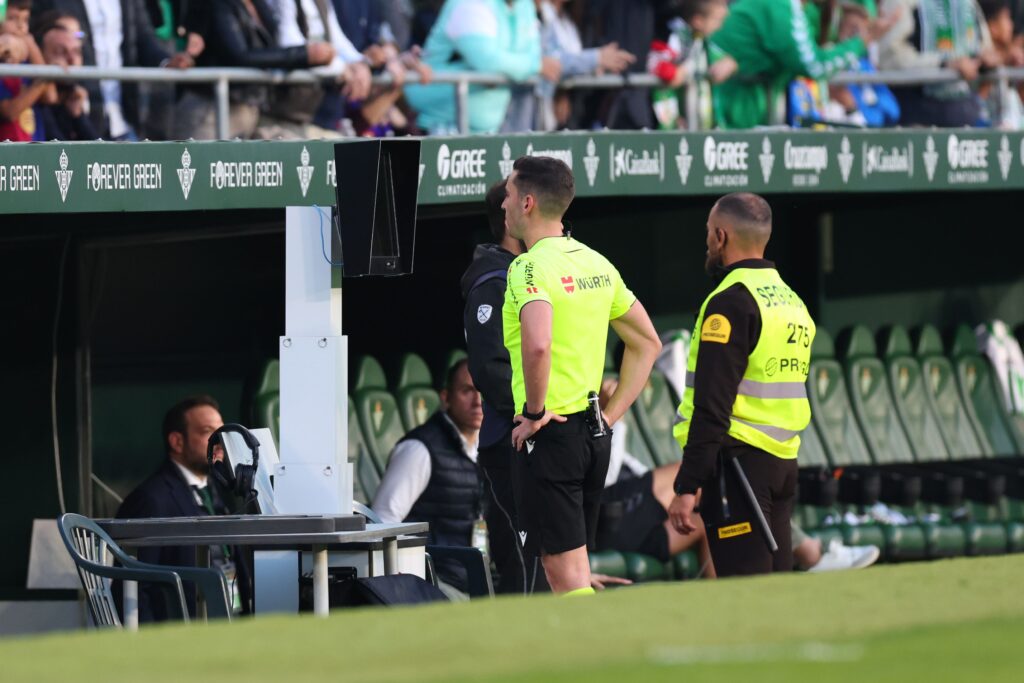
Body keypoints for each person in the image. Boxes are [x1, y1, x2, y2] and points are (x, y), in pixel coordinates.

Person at [501, 156, 662, 595]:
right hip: (593, 436)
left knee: (567, 579)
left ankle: (608, 656)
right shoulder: (596, 262)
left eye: (509, 195)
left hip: (551, 434)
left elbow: (537, 342)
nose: (504, 205)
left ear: (528, 202)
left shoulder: (528, 267)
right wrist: (610, 417)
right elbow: (648, 343)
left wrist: (534, 413)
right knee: (574, 569)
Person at [668, 193, 816, 578]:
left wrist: (687, 486)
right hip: (783, 462)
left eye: (707, 233)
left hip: (739, 468)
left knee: (749, 591)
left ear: (721, 236)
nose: (706, 242)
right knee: (775, 589)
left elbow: (713, 407)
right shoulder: (791, 300)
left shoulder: (730, 302)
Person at [461, 180, 538, 595]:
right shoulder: (493, 281)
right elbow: (490, 366)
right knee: (522, 567)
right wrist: (532, 412)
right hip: (510, 439)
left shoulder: (528, 272)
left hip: (533, 433)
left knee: (548, 559)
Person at [116, 395, 252, 622]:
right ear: (177, 441)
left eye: (222, 432)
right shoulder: (151, 498)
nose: (219, 441)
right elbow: (135, 588)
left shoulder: (216, 489)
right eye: (208, 431)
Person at [371, 359, 483, 599]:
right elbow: (382, 522)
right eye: (467, 391)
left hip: (473, 578)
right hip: (434, 583)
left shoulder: (487, 447)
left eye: (483, 390)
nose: (478, 401)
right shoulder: (419, 450)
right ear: (445, 398)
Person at [709, 0, 898, 128]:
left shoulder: (807, 11)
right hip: (722, 111)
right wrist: (864, 40)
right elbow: (815, 66)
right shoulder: (779, 6)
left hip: (752, 113)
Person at [595, 378, 716, 577]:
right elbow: (606, 475)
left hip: (637, 525)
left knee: (709, 520)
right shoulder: (581, 408)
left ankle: (724, 594)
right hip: (610, 513)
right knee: (692, 473)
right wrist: (613, 417)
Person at [172, 0, 333, 140]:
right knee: (202, 173)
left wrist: (309, 55)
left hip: (249, 110)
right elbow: (238, 55)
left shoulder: (258, 4)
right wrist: (303, 55)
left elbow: (273, 47)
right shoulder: (215, 3)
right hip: (209, 111)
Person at [33, 0, 194, 139]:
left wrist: (167, 62)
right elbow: (38, 35)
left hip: (123, 118)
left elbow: (143, 37)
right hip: (72, 115)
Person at [404, 0, 542, 134]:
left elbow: (534, 55)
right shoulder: (467, 3)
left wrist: (527, 65)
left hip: (490, 129)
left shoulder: (524, 4)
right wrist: (536, 65)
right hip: (441, 127)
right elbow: (489, 63)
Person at [878, 0, 997, 127]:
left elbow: (986, 49)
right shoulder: (901, 3)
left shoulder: (969, 4)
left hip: (966, 114)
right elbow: (890, 58)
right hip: (916, 118)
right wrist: (942, 63)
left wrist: (987, 61)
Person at [534, 0, 635, 131]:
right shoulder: (540, 13)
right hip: (537, 103)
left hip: (568, 108)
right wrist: (596, 58)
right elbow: (552, 60)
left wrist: (564, 90)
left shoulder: (569, 18)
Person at [648, 0, 729, 130]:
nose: (719, 26)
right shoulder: (675, 36)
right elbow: (655, 62)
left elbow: (719, 59)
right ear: (698, 21)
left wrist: (731, 63)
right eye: (716, 20)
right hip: (677, 124)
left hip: (702, 123)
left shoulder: (701, 40)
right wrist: (671, 73)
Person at [33, 11, 98, 140]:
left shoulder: (75, 95)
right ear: (40, 55)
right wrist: (46, 79)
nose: (71, 60)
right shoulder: (30, 97)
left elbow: (100, 154)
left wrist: (78, 116)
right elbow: (58, 151)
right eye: (60, 52)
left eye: (76, 52)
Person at [1, 0, 56, 142]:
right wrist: (41, 80)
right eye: (12, 18)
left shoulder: (28, 62)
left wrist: (31, 46)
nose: (20, 26)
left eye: (25, 19)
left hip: (34, 151)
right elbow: (9, 112)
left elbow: (50, 96)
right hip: (8, 155)